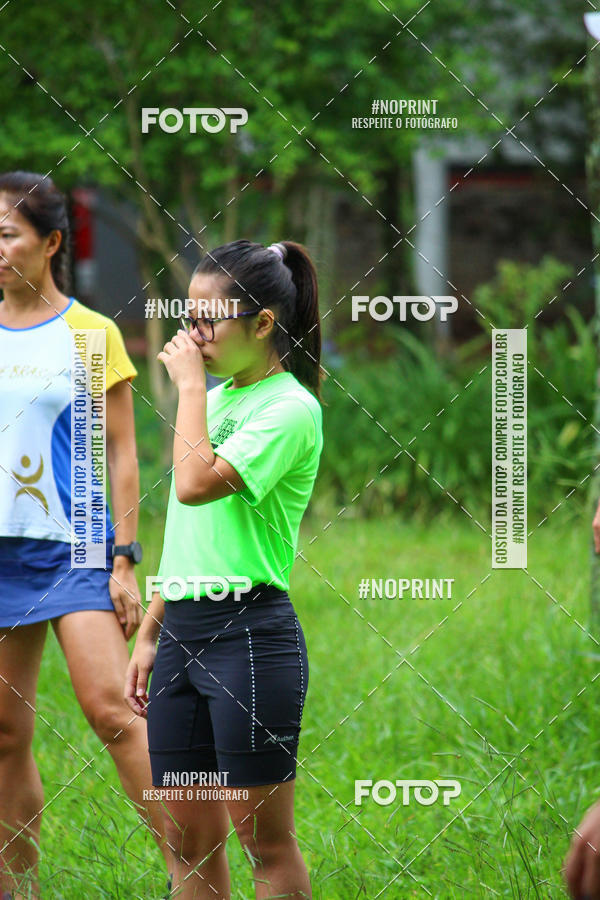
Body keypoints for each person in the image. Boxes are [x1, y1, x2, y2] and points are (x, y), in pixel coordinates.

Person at [125, 238, 324, 899]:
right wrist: (152, 631)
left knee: (265, 844)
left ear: (263, 323)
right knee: (189, 842)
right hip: (182, 632)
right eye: (190, 316)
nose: (194, 334)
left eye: (208, 319)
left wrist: (188, 388)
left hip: (249, 638)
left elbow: (193, 486)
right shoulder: (209, 404)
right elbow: (186, 534)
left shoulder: (290, 409)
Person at [0, 171, 167, 898]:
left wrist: (124, 558)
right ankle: (18, 887)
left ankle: (194, 875)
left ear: (50, 242)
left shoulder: (89, 334)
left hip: (75, 550)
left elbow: (122, 451)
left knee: (112, 710)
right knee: (4, 736)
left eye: (7, 234)